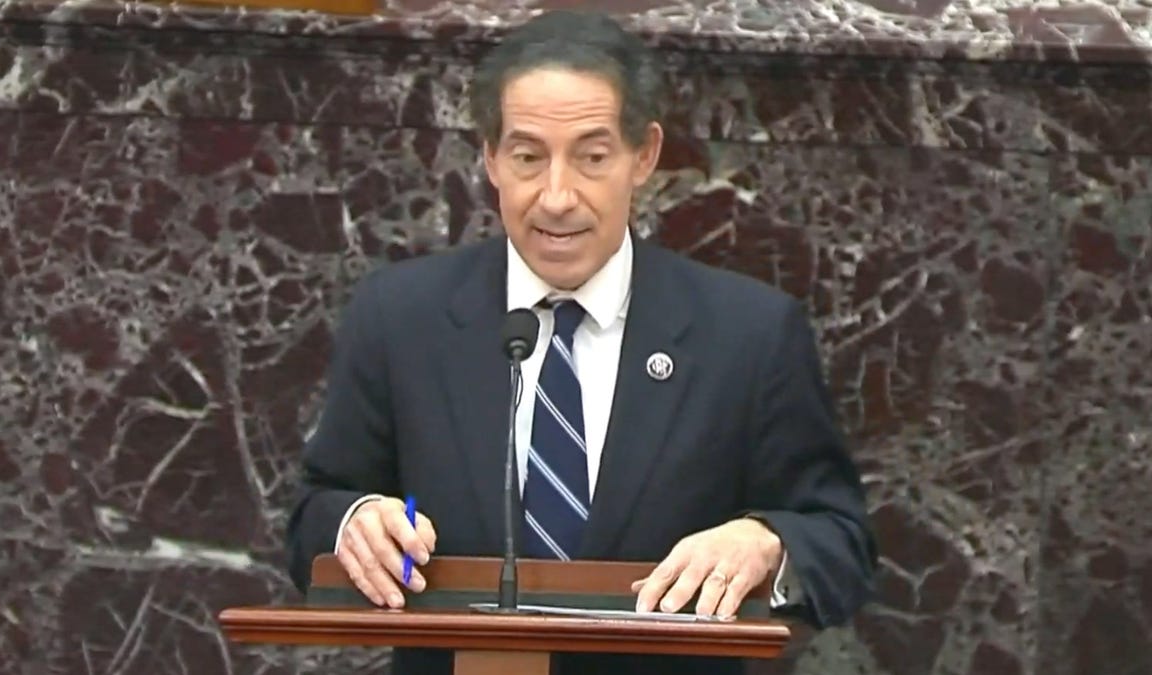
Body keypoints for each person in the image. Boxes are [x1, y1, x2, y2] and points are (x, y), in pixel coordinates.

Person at [286, 9, 876, 675]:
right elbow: (316, 509)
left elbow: (841, 541)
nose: (557, 196)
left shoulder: (748, 333)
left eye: (592, 157)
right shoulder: (401, 318)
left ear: (643, 156)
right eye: (528, 157)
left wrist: (767, 543)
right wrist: (356, 522)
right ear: (490, 158)